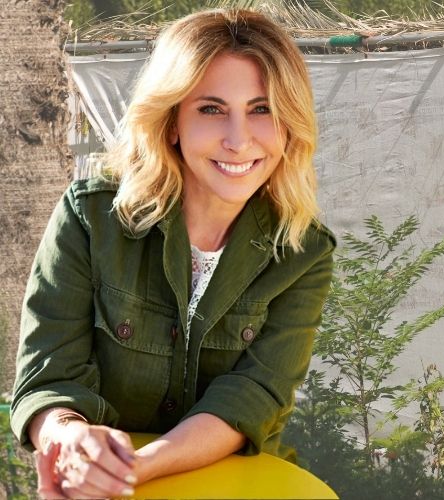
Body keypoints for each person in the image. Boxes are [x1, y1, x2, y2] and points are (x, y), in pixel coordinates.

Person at [10, 8, 334, 498]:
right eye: (211, 108)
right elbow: (48, 379)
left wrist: (135, 469)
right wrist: (72, 442)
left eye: (262, 109)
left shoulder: (303, 253)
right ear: (171, 122)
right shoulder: (90, 219)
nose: (238, 139)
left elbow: (252, 397)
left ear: (289, 123)